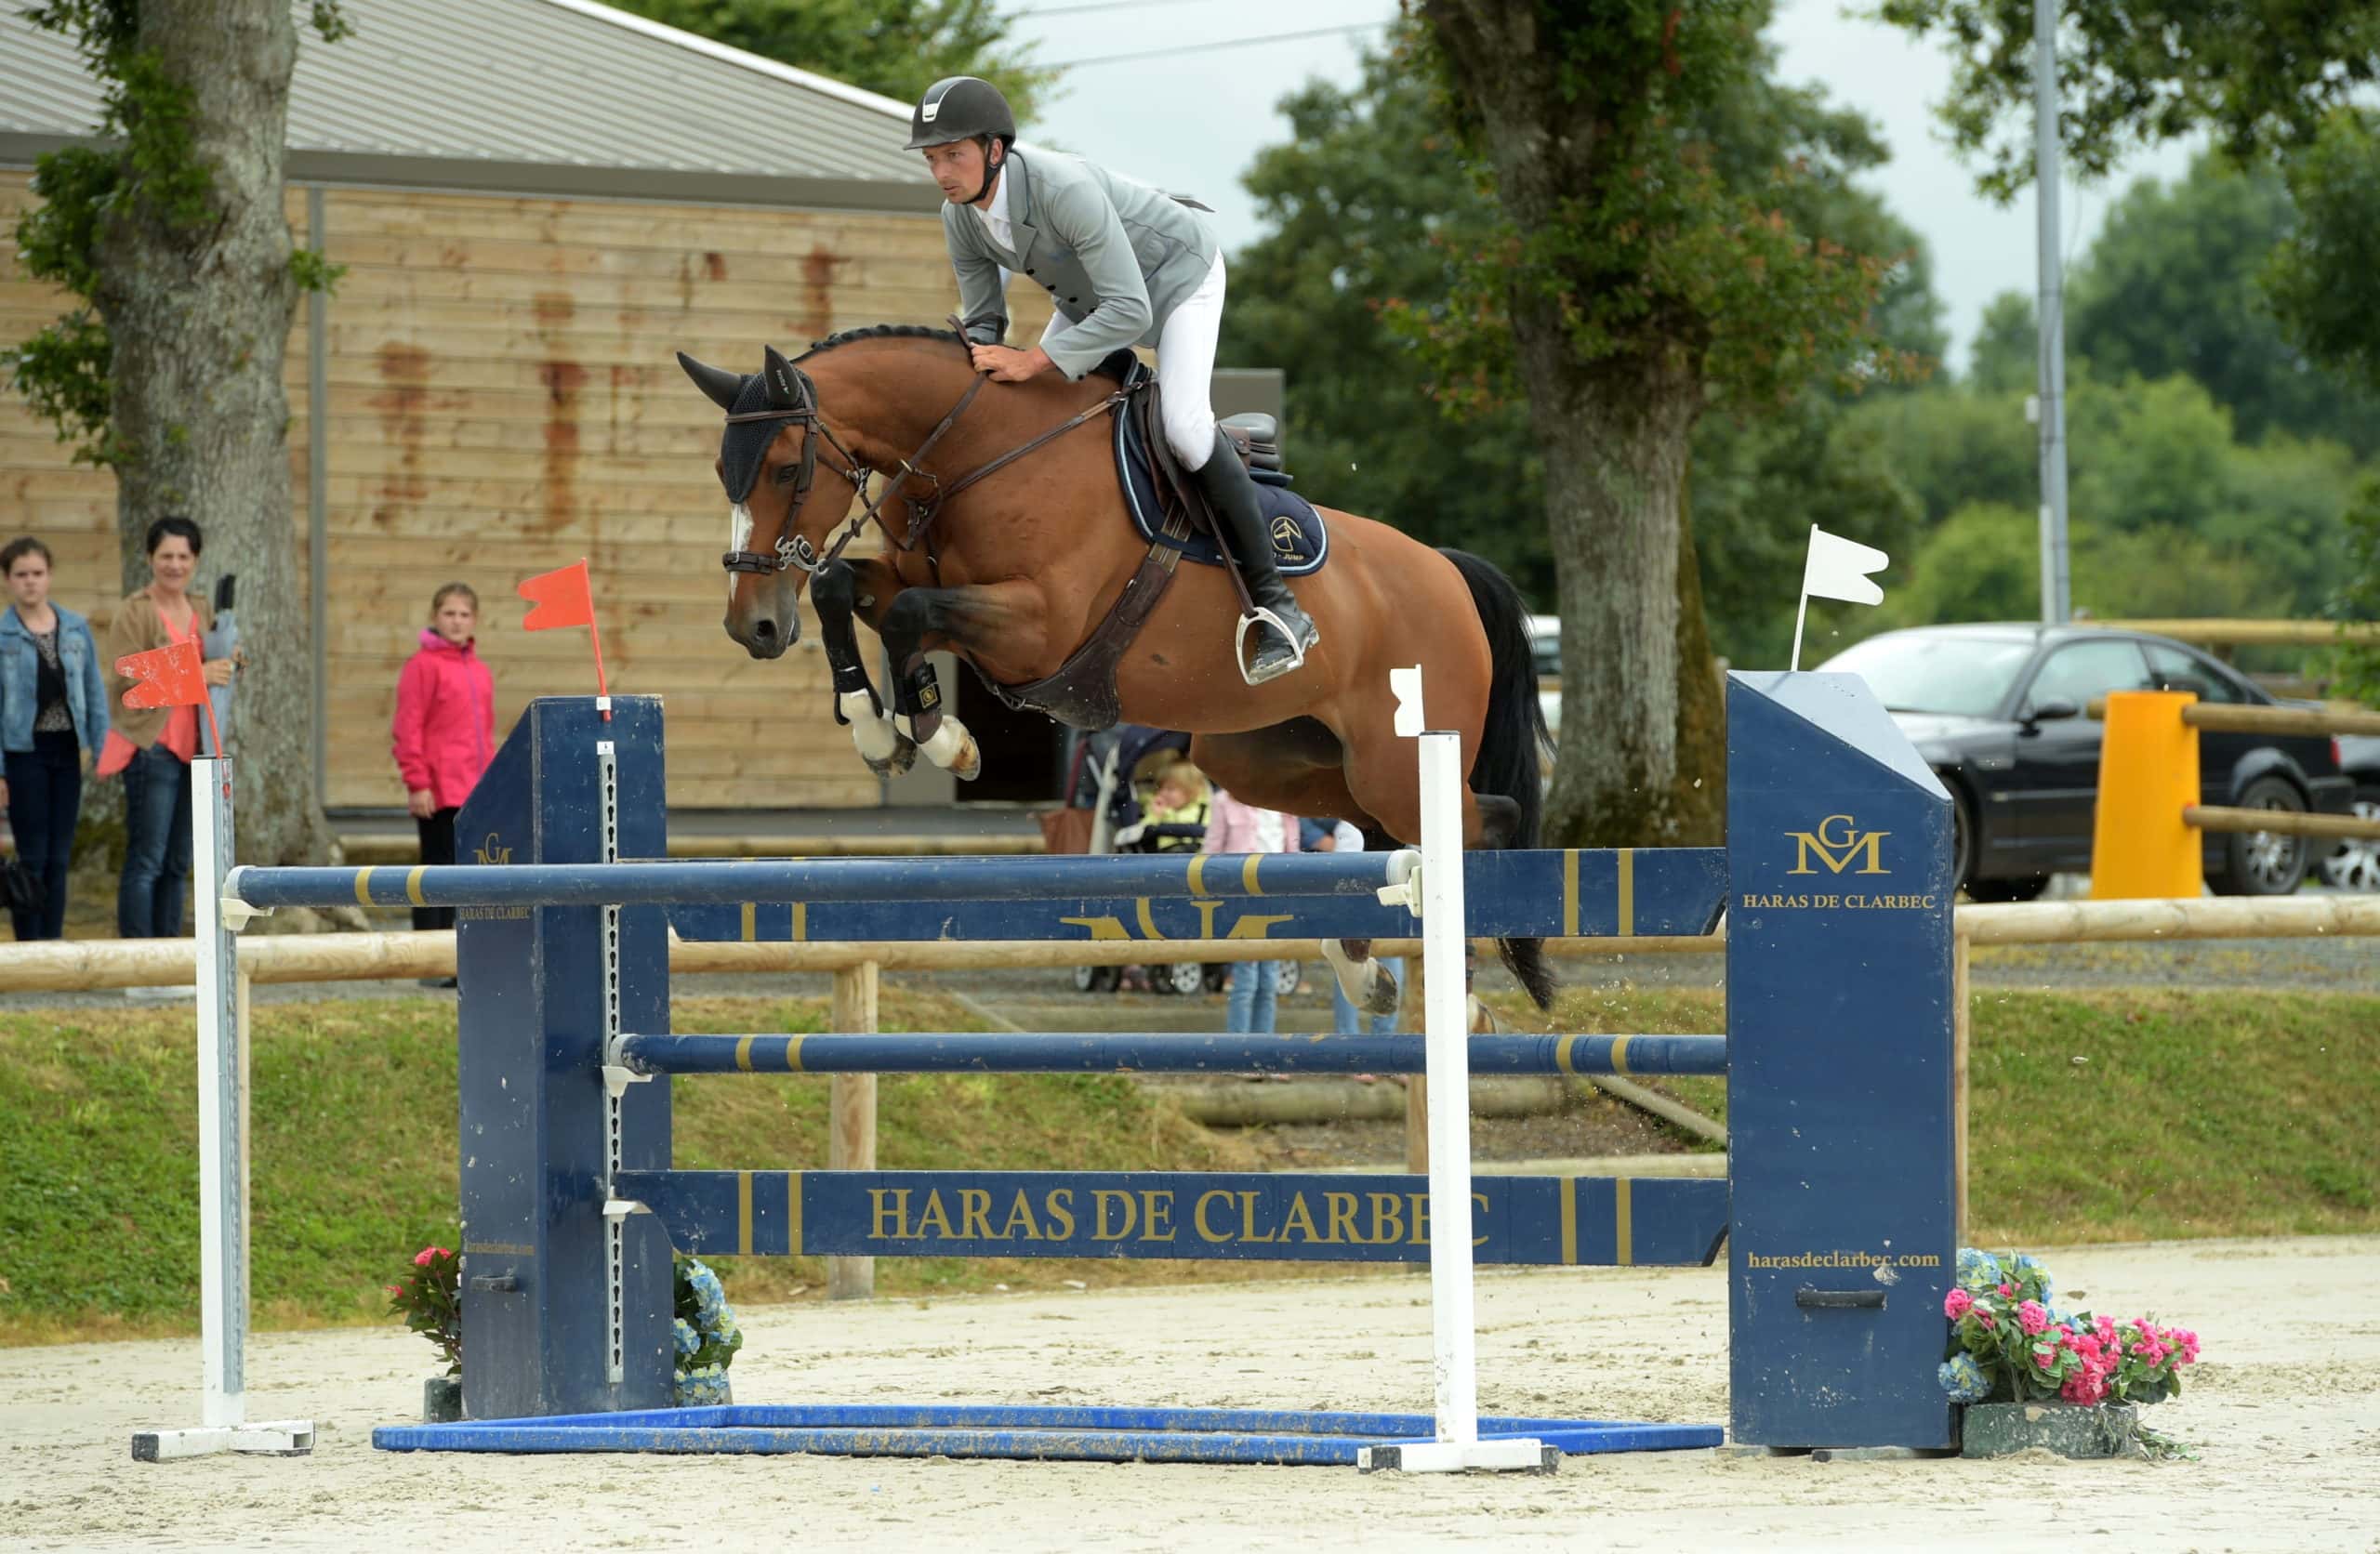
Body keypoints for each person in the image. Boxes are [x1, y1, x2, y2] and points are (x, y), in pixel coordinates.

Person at [906, 75, 1318, 685]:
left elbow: (1132, 313)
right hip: (1093, 298)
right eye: (933, 158)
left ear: (995, 149)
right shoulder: (959, 215)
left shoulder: (1060, 188)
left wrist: (1032, 362)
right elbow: (986, 319)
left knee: (1182, 426)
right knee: (1026, 411)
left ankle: (1278, 606)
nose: (942, 170)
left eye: (954, 154)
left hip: (1177, 278)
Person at [102, 516, 233, 942]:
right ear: (149, 558)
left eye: (183, 556)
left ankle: (172, 959)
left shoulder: (201, 608)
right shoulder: (134, 610)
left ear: (195, 560)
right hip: (151, 748)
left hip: (194, 750)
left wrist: (234, 662)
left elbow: (220, 665)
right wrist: (197, 671)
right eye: (166, 556)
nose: (174, 564)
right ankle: (139, 961)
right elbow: (126, 676)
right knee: (147, 860)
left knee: (179, 862)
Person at [0, 538, 108, 940]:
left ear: (49, 576)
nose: (30, 582)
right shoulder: (4, 636)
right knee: (33, 854)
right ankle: (30, 945)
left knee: (60, 856)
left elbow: (94, 693)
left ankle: (54, 941)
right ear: (9, 580)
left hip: (66, 751)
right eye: (21, 575)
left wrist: (101, 749)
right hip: (23, 755)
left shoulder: (76, 628)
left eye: (37, 574)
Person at [392, 583, 496, 949]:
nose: (456, 621)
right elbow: (408, 728)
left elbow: (485, 733)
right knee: (432, 872)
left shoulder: (480, 672)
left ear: (475, 620)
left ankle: (455, 954)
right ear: (434, 617)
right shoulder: (421, 666)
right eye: (449, 613)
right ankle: (428, 953)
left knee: (463, 875)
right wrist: (417, 782)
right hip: (437, 791)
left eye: (464, 614)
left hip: (473, 789)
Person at [1201, 786, 1298, 1034]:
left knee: (1269, 979)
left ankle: (1263, 1050)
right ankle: (1240, 1050)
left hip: (1275, 897)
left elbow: (1293, 851)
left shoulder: (1284, 802)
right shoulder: (1224, 800)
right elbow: (1212, 850)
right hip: (1241, 898)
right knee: (1246, 977)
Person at [1327, 820, 1405, 1037]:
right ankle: (1348, 1038)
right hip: (1359, 881)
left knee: (1391, 964)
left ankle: (1385, 1040)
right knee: (1348, 960)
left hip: (1386, 882)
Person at [1112, 762, 1209, 853]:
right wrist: (1154, 815)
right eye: (1160, 788)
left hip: (1197, 855)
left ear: (1190, 792)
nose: (1163, 793)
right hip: (1164, 856)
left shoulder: (1204, 808)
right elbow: (1141, 834)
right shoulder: (1154, 808)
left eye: (1170, 789)